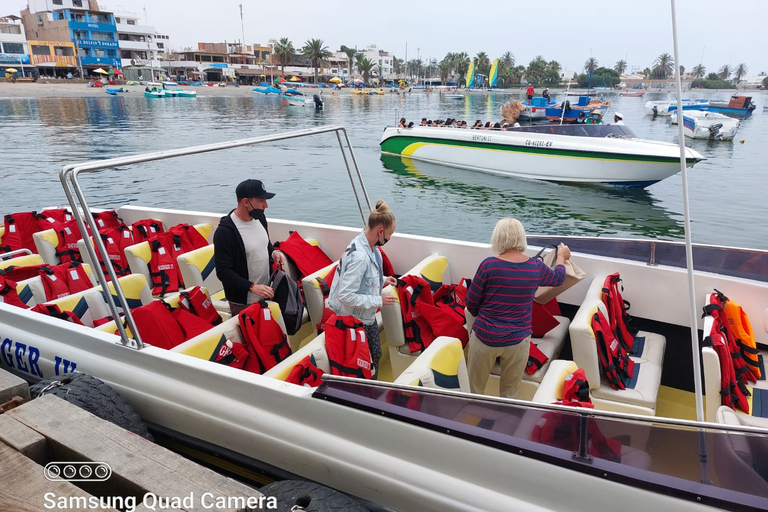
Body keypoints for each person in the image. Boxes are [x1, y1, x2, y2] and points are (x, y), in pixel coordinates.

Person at [465, 218, 570, 397]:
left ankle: (471, 419)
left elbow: (471, 303)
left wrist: (479, 319)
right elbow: (558, 278)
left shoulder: (488, 265)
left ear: (498, 238)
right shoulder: (535, 266)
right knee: (510, 394)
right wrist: (561, 257)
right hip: (518, 340)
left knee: (473, 390)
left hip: (485, 337)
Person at [327, 200, 397, 378]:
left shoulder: (370, 247)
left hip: (366, 315)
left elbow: (365, 277)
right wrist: (379, 300)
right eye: (390, 234)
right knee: (366, 361)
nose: (389, 239)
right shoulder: (360, 257)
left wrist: (382, 280)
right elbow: (345, 295)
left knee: (376, 354)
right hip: (353, 319)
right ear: (380, 231)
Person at [213, 179, 286, 317]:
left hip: (267, 291)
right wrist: (252, 287)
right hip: (244, 301)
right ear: (246, 202)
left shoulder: (260, 218)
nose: (266, 205)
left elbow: (265, 243)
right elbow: (223, 272)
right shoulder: (225, 232)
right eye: (261, 201)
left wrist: (273, 253)